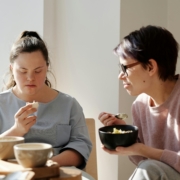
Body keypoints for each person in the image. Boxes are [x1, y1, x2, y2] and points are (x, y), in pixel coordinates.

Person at [0, 31, 92, 169]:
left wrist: (50, 164)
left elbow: (81, 146)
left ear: (47, 68)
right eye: (23, 71)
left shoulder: (69, 104)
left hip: (59, 172)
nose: (30, 78)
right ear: (12, 69)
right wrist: (17, 130)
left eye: (38, 71)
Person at [98, 25, 180, 180]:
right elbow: (142, 163)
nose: (120, 76)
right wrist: (128, 137)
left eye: (125, 67)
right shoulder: (139, 105)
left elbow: (150, 167)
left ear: (150, 67)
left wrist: (143, 150)